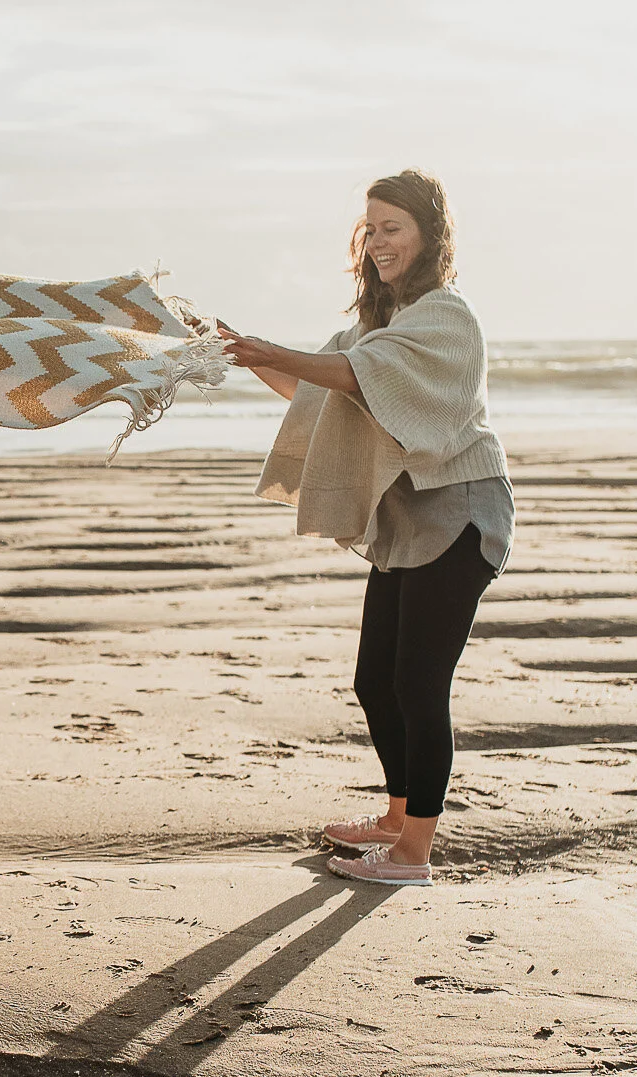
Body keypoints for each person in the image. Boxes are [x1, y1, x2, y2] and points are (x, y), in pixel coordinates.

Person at [223, 170, 513, 888]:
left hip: (462, 508)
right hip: (407, 515)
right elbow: (321, 382)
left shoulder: (446, 315)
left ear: (428, 234)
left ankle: (414, 853)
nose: (380, 241)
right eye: (373, 227)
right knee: (374, 680)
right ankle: (395, 817)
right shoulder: (376, 325)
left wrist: (273, 350)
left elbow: (356, 375)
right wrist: (246, 357)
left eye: (395, 227)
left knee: (419, 682)